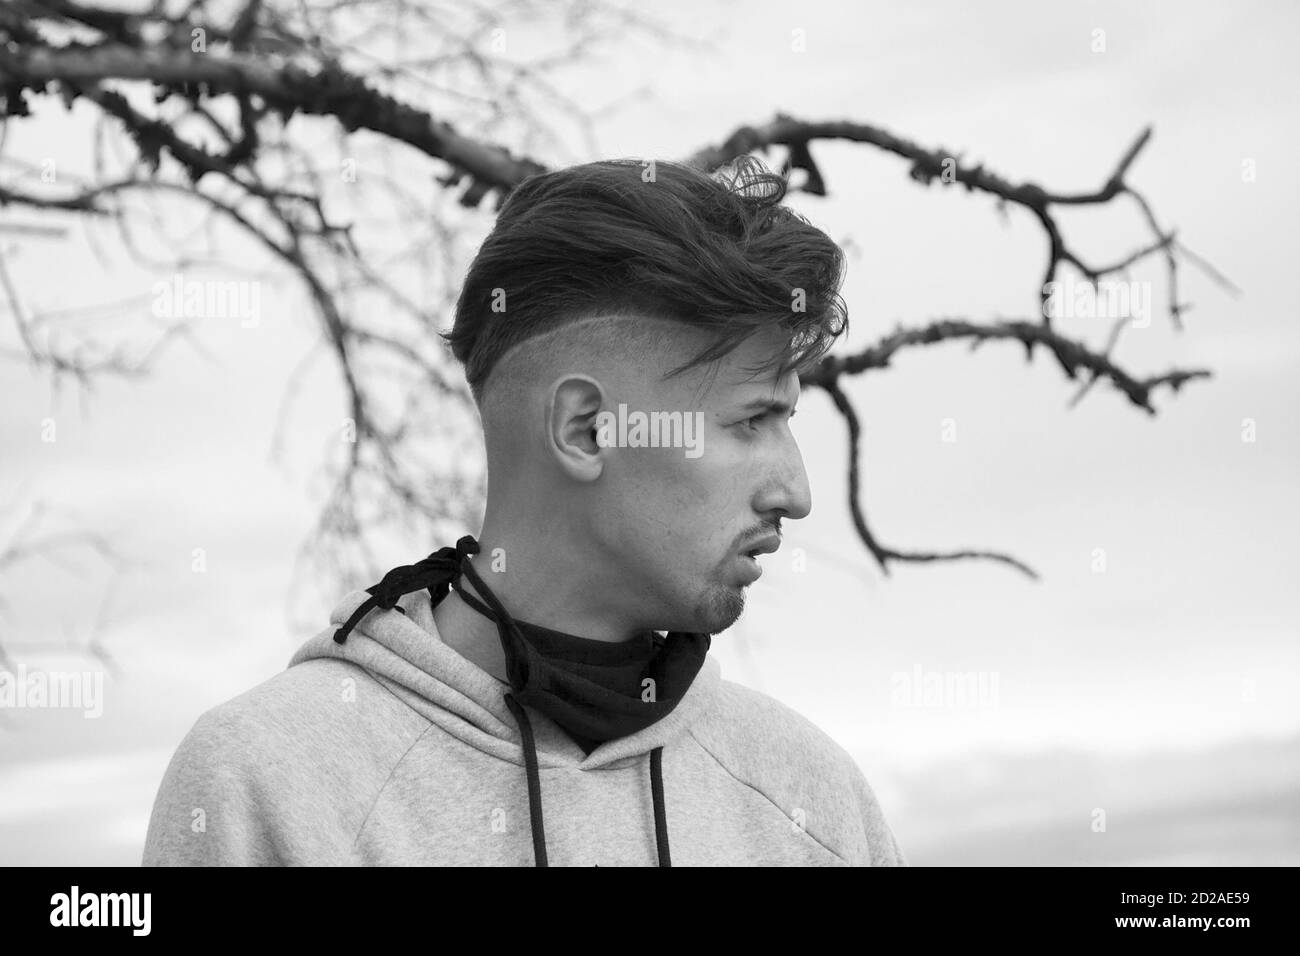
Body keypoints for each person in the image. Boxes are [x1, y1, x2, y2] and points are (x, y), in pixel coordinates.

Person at [142, 156, 907, 866]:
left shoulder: (812, 801)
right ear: (584, 429)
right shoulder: (270, 781)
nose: (796, 492)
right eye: (750, 422)